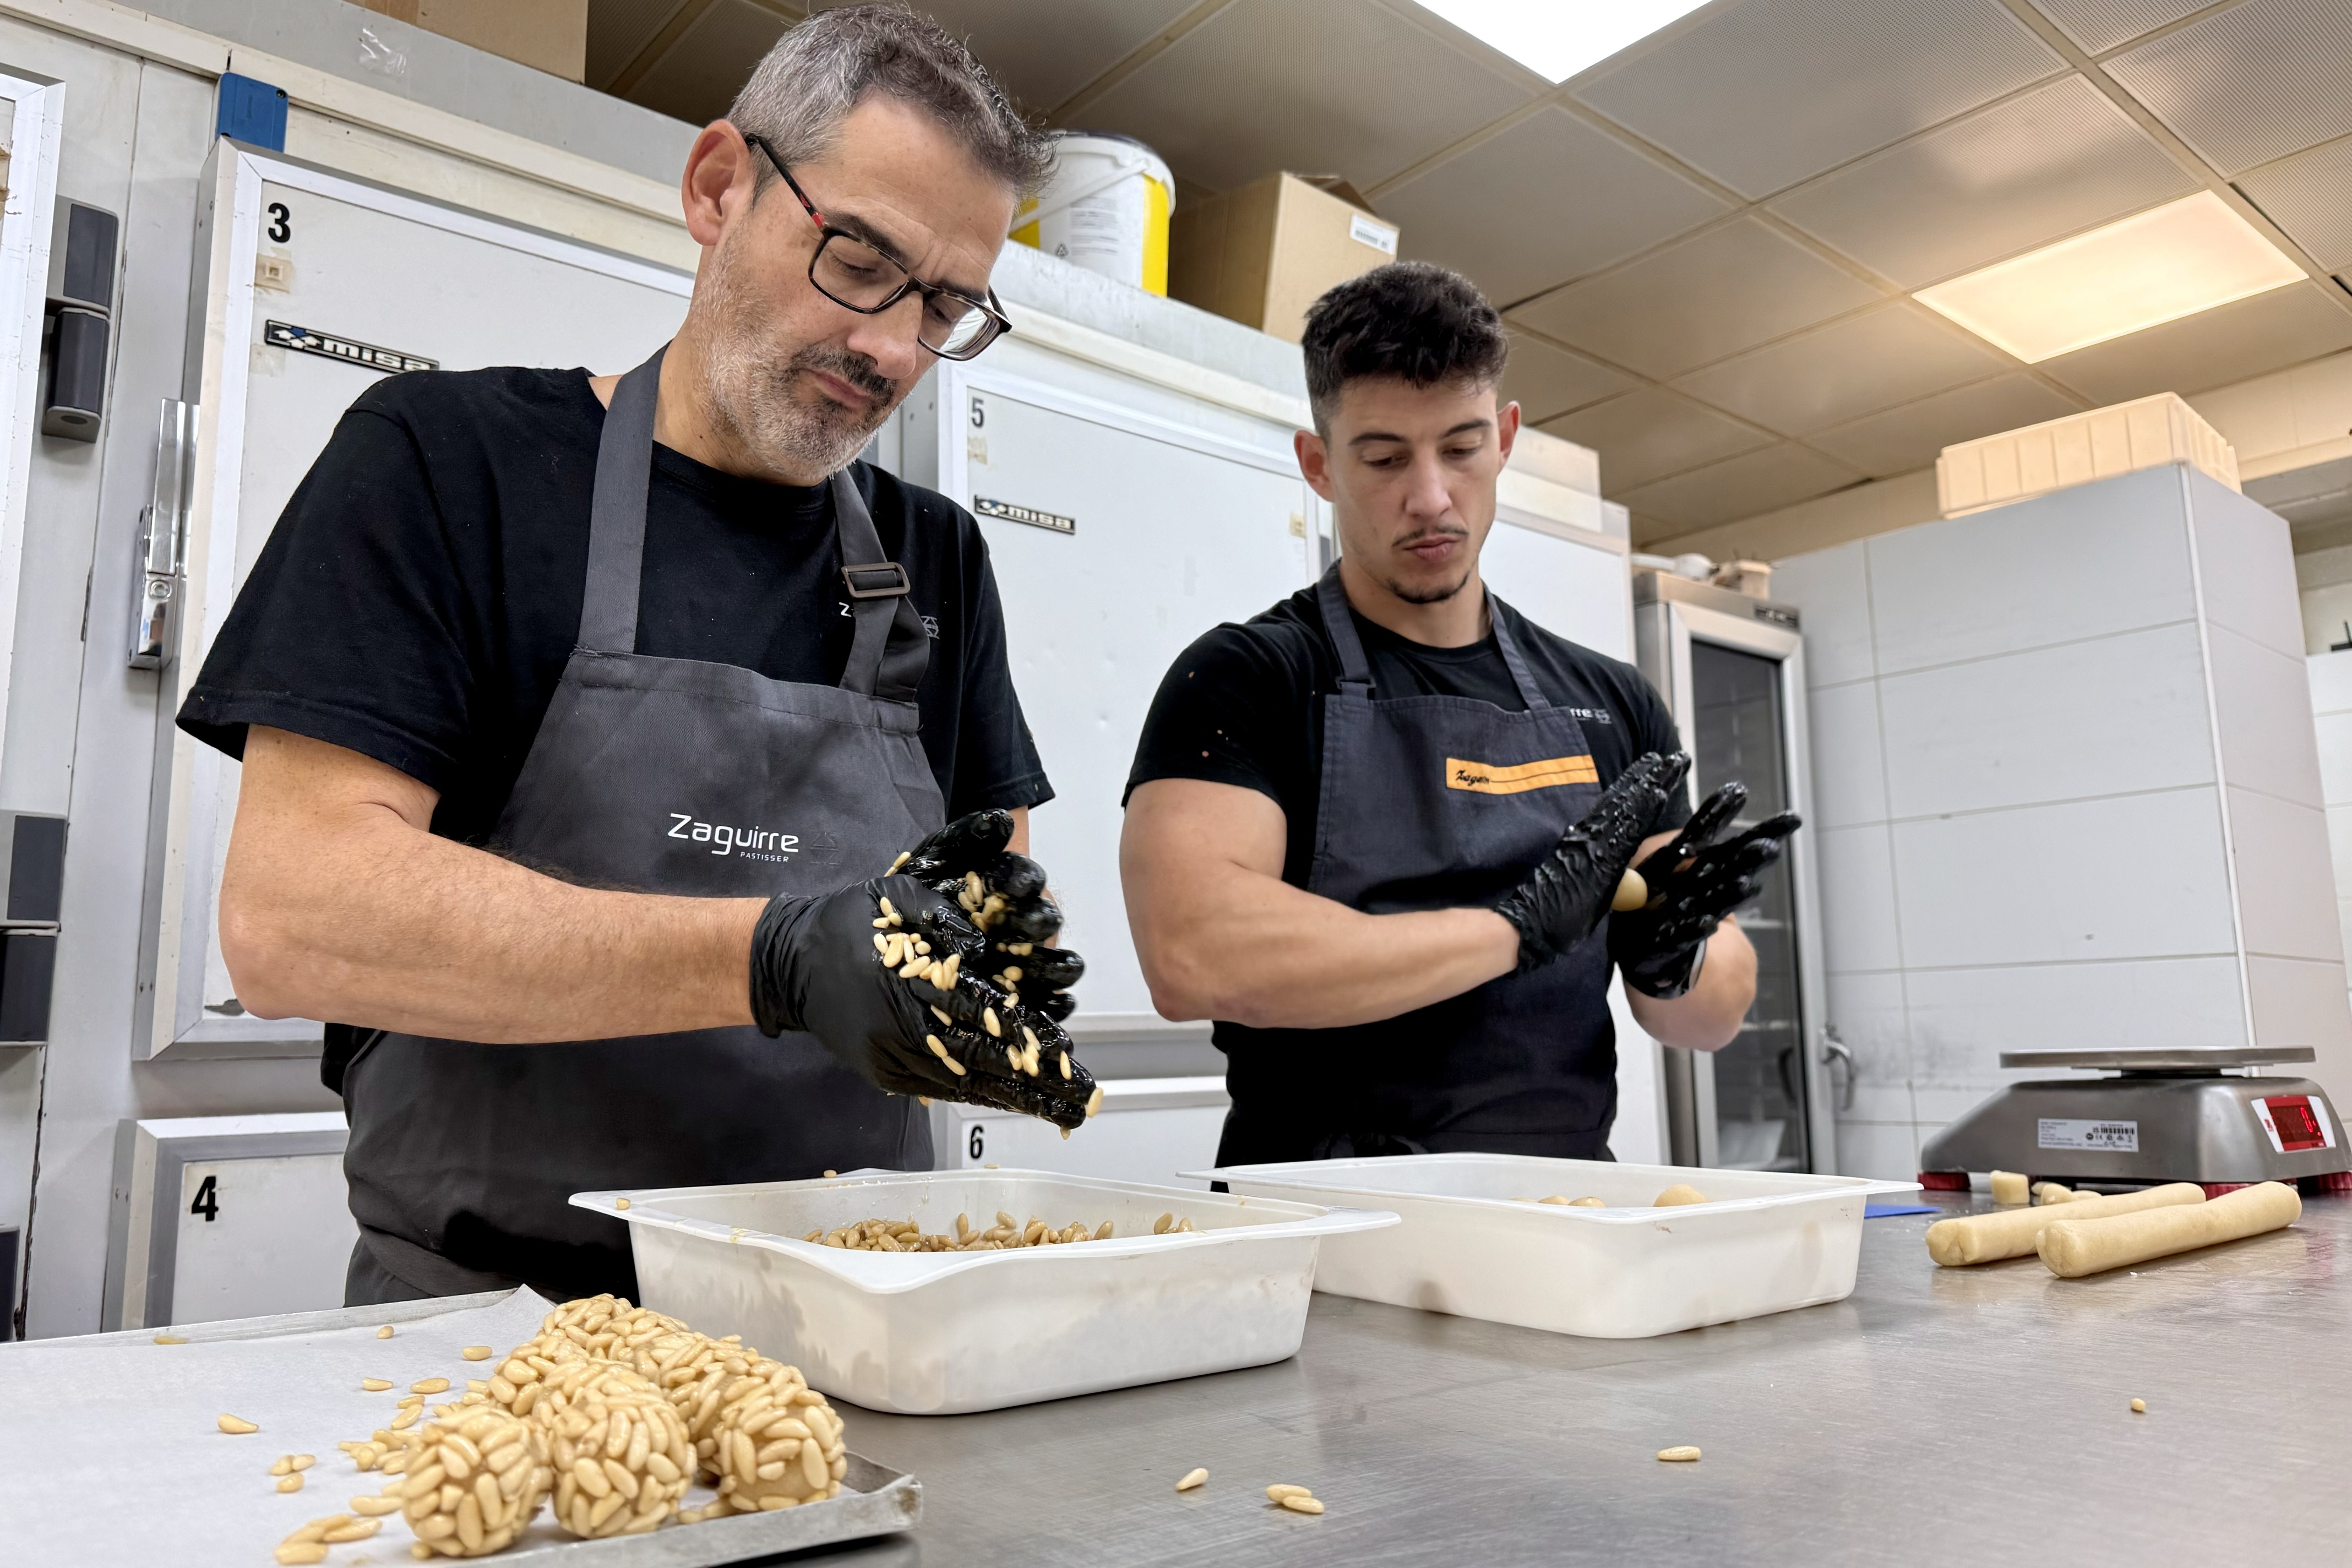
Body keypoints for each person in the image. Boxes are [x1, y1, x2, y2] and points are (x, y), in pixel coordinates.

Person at [179, 8, 1093, 1306]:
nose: (893, 348)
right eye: (858, 260)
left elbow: (973, 890)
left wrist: (991, 948)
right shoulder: (450, 465)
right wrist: (779, 956)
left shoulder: (934, 559)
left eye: (945, 305)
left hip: (851, 1321)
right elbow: (292, 917)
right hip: (485, 1332)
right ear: (719, 187)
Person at [1120, 263, 1798, 1164]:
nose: (1432, 497)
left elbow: (1705, 1023)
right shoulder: (1250, 679)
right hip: (1326, 1238)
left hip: (1560, 1224)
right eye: (1386, 457)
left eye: (1463, 448)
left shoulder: (1610, 702)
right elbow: (1196, 955)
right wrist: (1515, 931)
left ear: (1507, 438)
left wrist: (1675, 955)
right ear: (1318, 465)